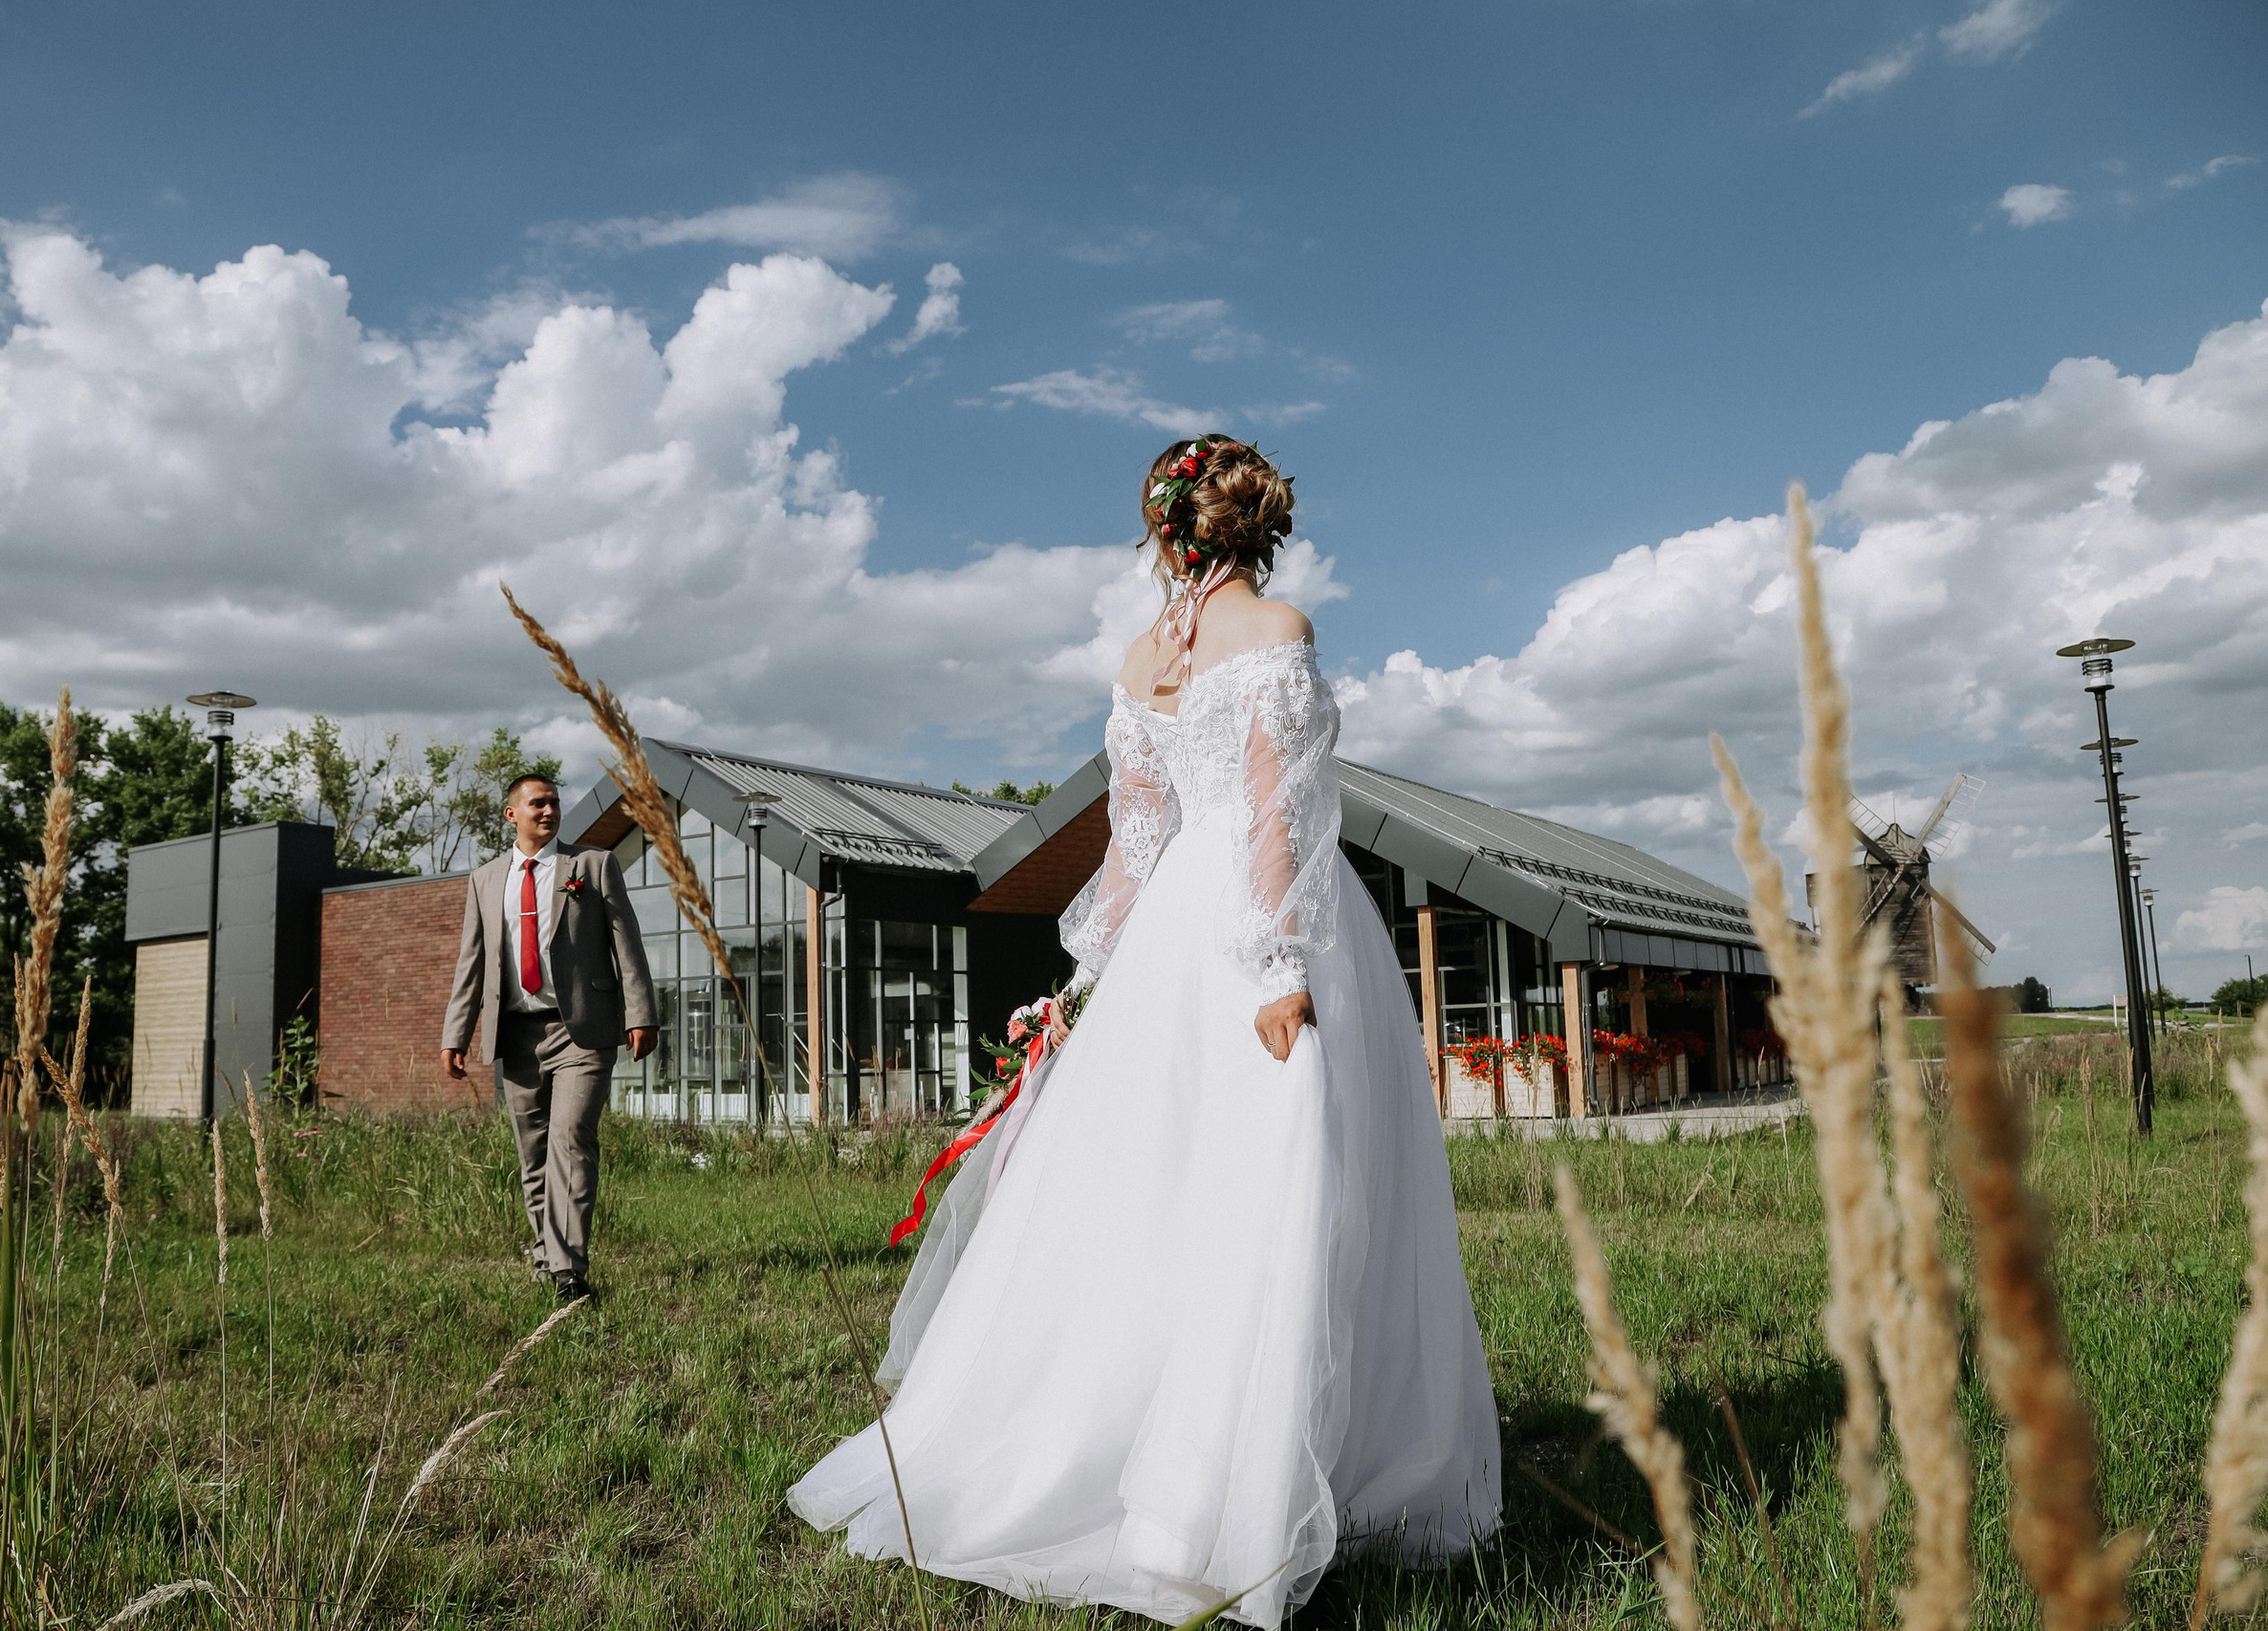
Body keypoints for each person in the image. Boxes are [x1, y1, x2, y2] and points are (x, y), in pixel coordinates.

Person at [787, 437, 1502, 1625]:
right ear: (1256, 524)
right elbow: (1276, 812)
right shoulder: (1277, 631)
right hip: (1264, 926)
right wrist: (1276, 967)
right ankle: (1226, 1497)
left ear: (1167, 533)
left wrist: (1091, 974)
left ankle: (1198, 1463)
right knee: (1284, 1195)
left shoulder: (1136, 659)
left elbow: (1134, 842)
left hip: (1173, 922)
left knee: (1163, 1190)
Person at [441, 773, 659, 1303]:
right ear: (511, 814)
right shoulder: (486, 879)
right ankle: (547, 1260)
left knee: (570, 1137)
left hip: (580, 1032)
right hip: (516, 1035)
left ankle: (569, 1269)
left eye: (555, 803)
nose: (549, 811)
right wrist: (456, 1033)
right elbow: (473, 963)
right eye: (537, 803)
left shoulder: (591, 866)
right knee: (533, 1153)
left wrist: (642, 1013)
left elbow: (624, 941)